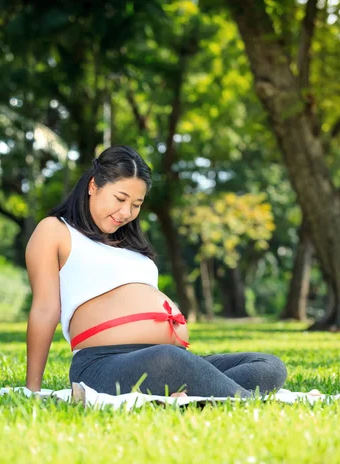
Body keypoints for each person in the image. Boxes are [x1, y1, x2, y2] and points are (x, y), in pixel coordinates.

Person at [25, 145, 287, 398]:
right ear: (93, 185)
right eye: (120, 198)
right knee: (168, 360)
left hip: (166, 360)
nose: (126, 212)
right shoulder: (56, 231)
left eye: (136, 204)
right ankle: (239, 399)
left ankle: (193, 394)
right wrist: (32, 389)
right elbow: (45, 309)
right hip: (103, 364)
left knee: (268, 366)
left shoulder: (130, 244)